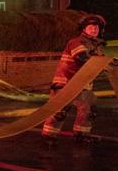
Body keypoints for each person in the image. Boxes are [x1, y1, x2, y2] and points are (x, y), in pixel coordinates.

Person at [41, 14, 106, 142]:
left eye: (97, 27)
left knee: (89, 107)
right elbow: (82, 57)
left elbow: (97, 63)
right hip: (65, 84)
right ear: (84, 29)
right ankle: (48, 135)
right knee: (59, 111)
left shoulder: (94, 46)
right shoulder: (76, 42)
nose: (94, 30)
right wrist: (102, 61)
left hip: (82, 85)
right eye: (91, 27)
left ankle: (81, 134)